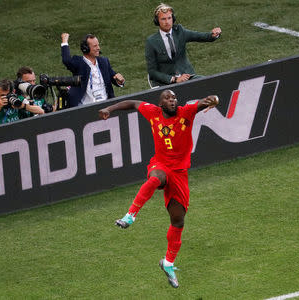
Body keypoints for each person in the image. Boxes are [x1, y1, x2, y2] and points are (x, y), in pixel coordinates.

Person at [98, 89, 219, 288]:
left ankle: (168, 263)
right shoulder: (153, 112)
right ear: (160, 103)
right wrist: (109, 109)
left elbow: (205, 101)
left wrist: (213, 99)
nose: (172, 101)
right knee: (155, 179)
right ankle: (130, 216)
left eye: (174, 98)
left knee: (178, 221)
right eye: (168, 98)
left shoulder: (185, 112)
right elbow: (133, 103)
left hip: (179, 173)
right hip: (160, 165)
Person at [145, 3, 221, 86]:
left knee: (209, 83)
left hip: (187, 77)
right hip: (165, 84)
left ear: (173, 19)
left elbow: (200, 36)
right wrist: (174, 79)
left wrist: (213, 35)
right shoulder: (151, 41)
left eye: (169, 18)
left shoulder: (180, 31)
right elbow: (152, 71)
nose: (167, 22)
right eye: (163, 19)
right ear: (157, 21)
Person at [60, 32, 125, 107]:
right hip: (86, 107)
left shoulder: (104, 61)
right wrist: (64, 41)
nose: (98, 48)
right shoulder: (79, 63)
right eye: (95, 46)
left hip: (106, 105)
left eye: (98, 45)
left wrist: (120, 81)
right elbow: (66, 60)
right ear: (86, 49)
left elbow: (113, 77)